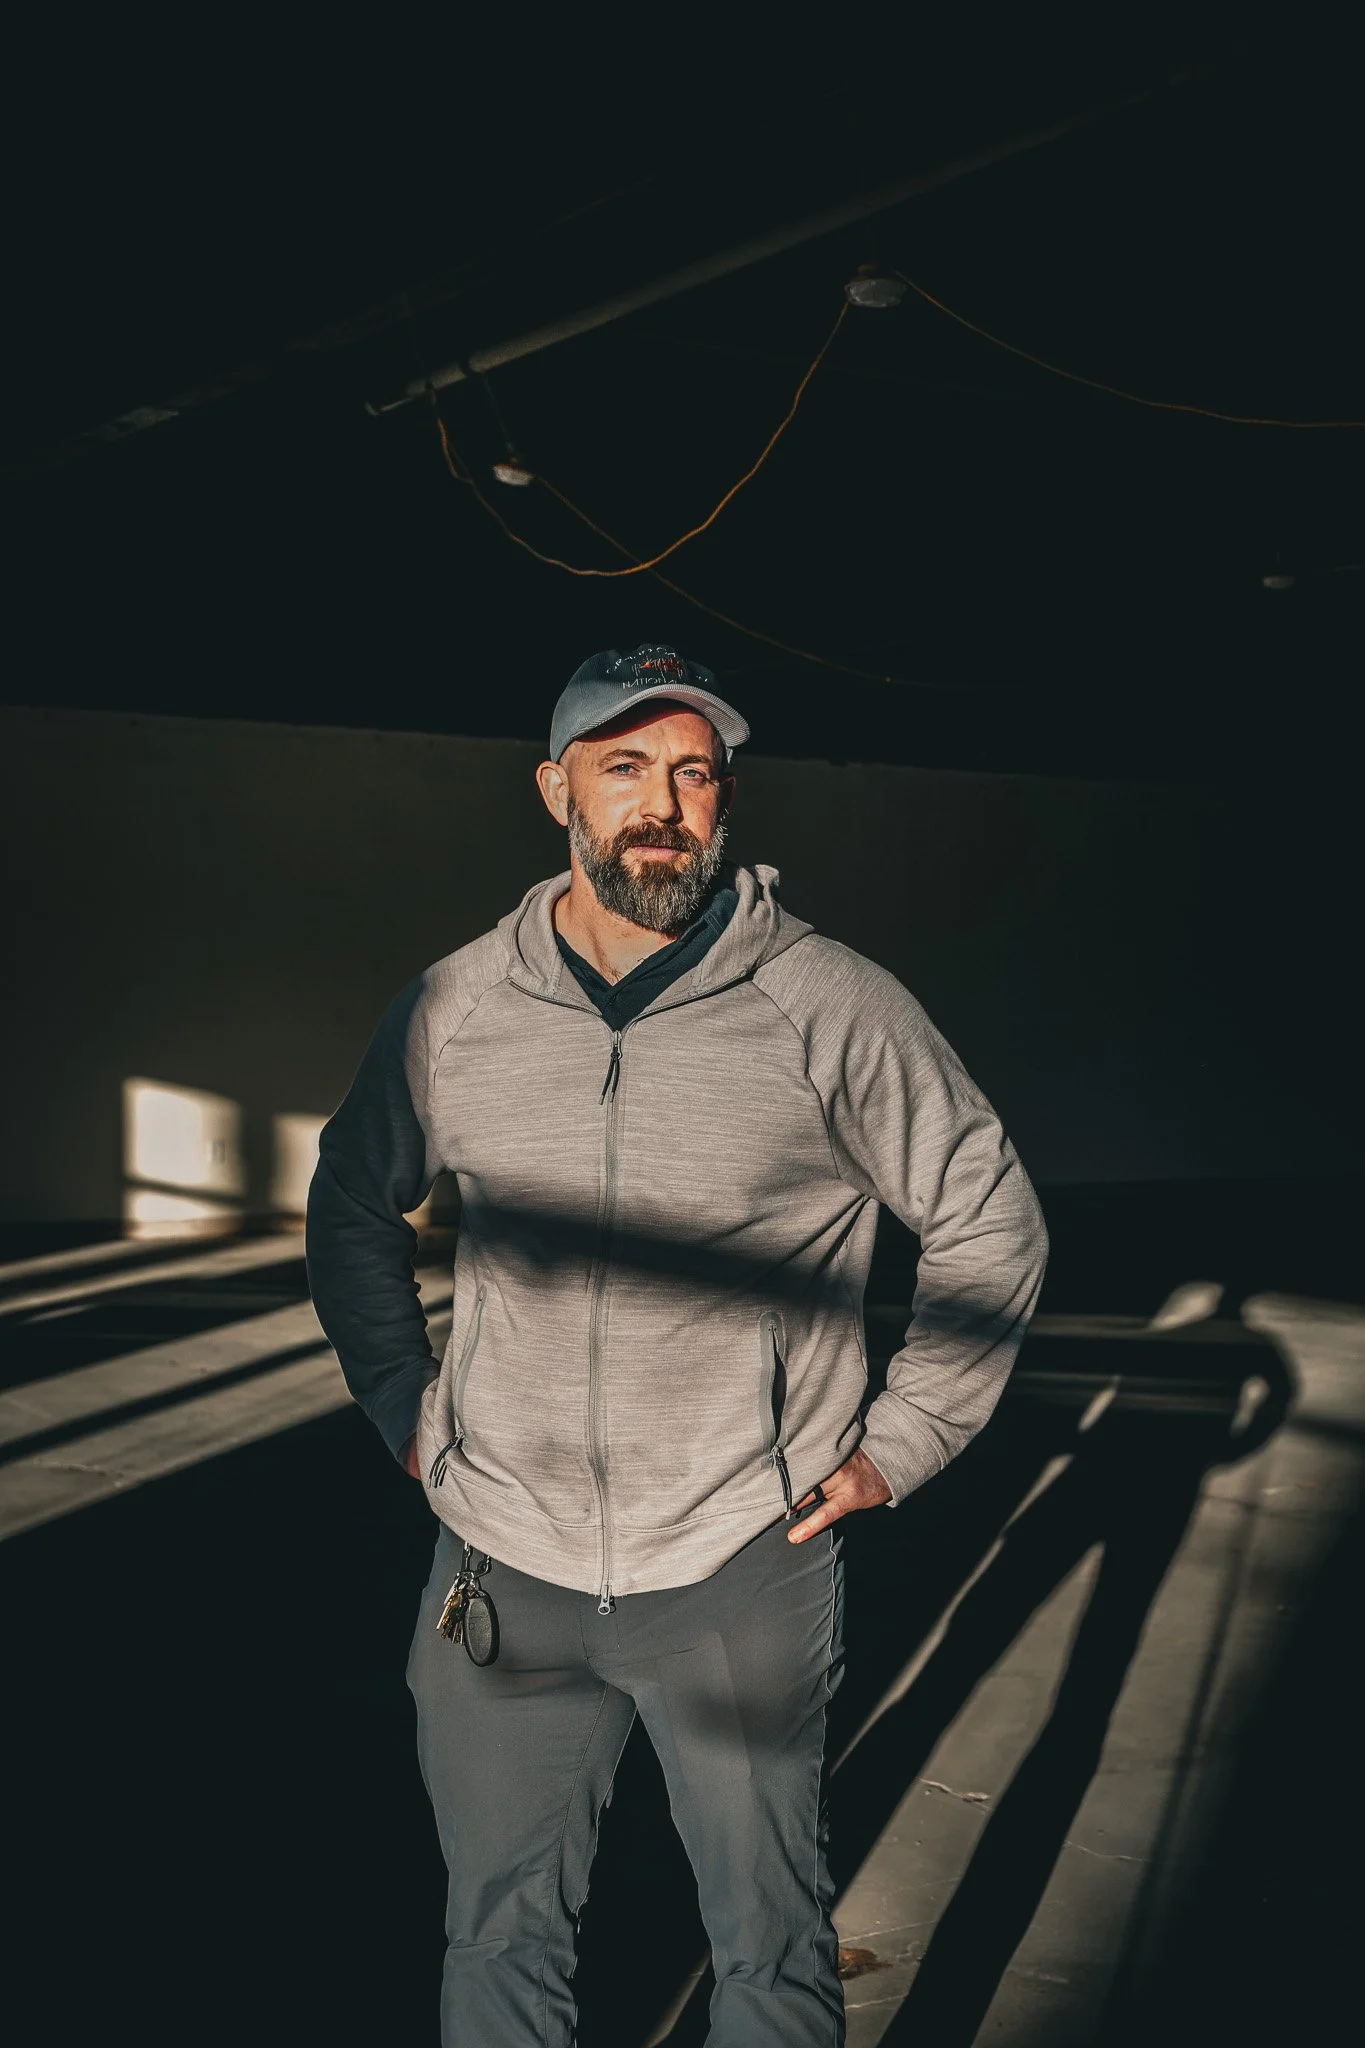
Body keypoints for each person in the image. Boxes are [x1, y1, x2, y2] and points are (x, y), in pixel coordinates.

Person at [306, 643, 1048, 2047]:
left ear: (725, 801)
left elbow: (987, 1219)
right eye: (627, 769)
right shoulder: (455, 1010)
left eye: (695, 775)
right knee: (498, 1929)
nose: (666, 806)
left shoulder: (832, 1006)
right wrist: (404, 1400)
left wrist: (907, 1437)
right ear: (555, 791)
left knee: (766, 1947)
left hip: (736, 1562)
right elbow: (353, 1202)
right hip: (498, 1561)